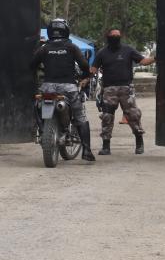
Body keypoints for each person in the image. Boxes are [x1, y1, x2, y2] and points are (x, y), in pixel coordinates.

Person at [31, 18, 96, 162]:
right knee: (80, 117)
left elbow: (32, 65)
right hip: (68, 88)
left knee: (37, 106)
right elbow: (84, 65)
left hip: (47, 87)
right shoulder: (71, 47)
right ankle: (86, 150)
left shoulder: (44, 48)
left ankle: (42, 131)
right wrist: (86, 75)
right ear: (66, 30)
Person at [91, 28, 155, 155]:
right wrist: (85, 78)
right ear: (108, 37)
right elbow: (93, 68)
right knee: (107, 117)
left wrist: (157, 57)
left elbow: (143, 61)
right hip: (109, 90)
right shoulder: (102, 53)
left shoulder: (128, 50)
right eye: (113, 35)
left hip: (126, 89)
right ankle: (106, 147)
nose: (115, 37)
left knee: (133, 116)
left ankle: (139, 143)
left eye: (118, 35)